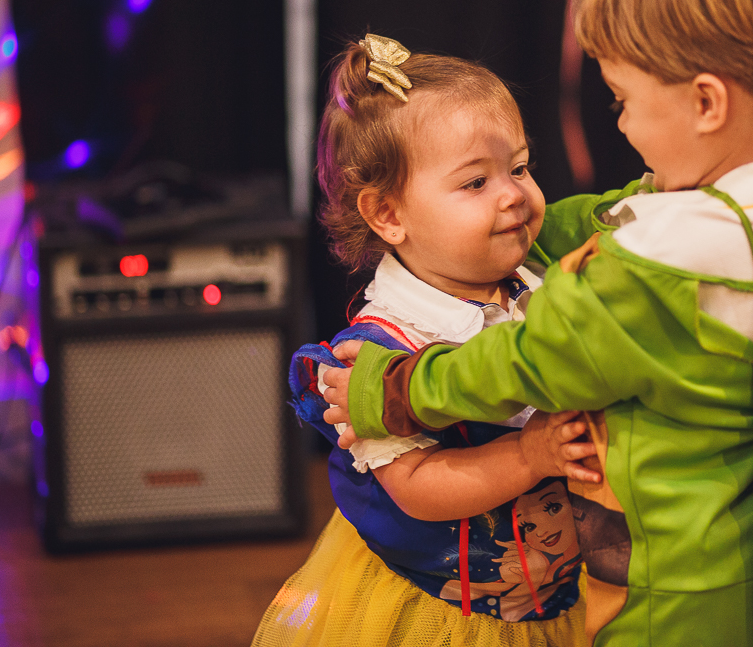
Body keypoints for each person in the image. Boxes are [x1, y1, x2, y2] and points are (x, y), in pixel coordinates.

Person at [323, 0, 753, 647]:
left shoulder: (652, 273)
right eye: (477, 182)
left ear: (706, 103)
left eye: (624, 100)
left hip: (658, 585)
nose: (619, 124)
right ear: (387, 215)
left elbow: (519, 363)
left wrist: (394, 389)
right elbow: (621, 210)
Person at [251, 35, 596, 647]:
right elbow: (416, 488)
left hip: (559, 586)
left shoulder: (543, 279)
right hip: (449, 614)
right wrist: (529, 456)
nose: (513, 193)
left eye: (518, 167)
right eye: (475, 183)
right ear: (388, 216)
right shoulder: (378, 355)